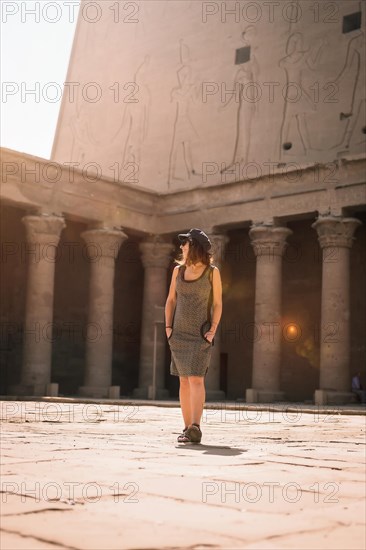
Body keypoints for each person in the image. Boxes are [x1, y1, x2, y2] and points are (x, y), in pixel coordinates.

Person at [165, 228, 222, 443]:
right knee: (184, 383)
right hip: (178, 334)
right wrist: (168, 328)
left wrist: (213, 329)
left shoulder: (212, 272)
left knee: (196, 379)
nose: (181, 247)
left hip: (200, 334)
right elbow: (171, 300)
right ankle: (187, 428)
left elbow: (217, 303)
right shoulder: (178, 271)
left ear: (194, 246)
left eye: (185, 243)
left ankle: (196, 428)